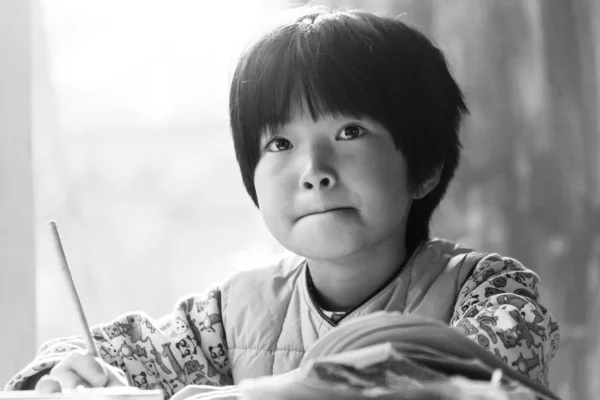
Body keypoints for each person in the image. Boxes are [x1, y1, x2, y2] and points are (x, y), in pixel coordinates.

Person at [5, 7, 560, 399]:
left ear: (423, 168)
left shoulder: (491, 292)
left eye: (348, 132)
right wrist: (67, 378)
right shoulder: (229, 314)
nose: (313, 172)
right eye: (279, 144)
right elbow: (107, 353)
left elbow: (453, 379)